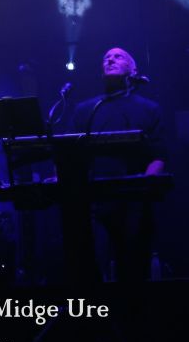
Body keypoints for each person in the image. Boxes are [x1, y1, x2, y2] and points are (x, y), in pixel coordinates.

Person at [69, 47, 168, 282]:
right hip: (93, 201)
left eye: (118, 56)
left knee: (133, 269)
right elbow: (69, 153)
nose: (110, 60)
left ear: (133, 70)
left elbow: (158, 155)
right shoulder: (86, 110)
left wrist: (146, 184)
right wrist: (59, 176)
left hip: (134, 202)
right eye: (106, 58)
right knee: (91, 267)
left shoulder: (149, 109)